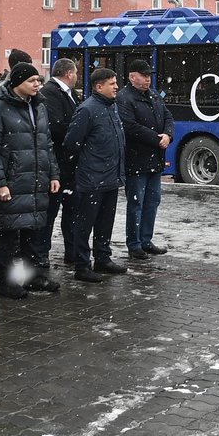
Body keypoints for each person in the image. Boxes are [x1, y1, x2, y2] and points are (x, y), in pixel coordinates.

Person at [0, 63, 60, 298]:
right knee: (9, 232)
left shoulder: (39, 107)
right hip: (13, 181)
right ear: (17, 84)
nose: (37, 85)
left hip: (36, 180)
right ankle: (7, 282)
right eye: (32, 81)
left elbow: (47, 145)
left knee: (33, 232)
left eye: (38, 80)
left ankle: (31, 277)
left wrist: (53, 174)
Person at [64, 67, 126, 282]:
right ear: (99, 87)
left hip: (110, 177)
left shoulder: (112, 107)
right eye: (112, 83)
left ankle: (103, 258)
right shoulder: (87, 110)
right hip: (92, 179)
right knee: (85, 224)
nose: (117, 86)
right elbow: (71, 143)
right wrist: (89, 163)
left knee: (105, 222)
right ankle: (82, 266)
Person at [117, 61, 174, 259]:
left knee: (152, 201)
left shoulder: (154, 95)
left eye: (149, 74)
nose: (148, 78)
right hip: (137, 160)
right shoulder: (124, 98)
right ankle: (134, 244)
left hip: (155, 160)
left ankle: (146, 240)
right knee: (136, 203)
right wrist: (157, 139)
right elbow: (130, 127)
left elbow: (168, 117)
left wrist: (168, 134)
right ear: (132, 77)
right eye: (143, 74)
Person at [39, 59, 81, 278]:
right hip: (56, 164)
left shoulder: (69, 93)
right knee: (51, 211)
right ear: (68, 73)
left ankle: (72, 251)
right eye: (75, 72)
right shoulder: (50, 92)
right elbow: (56, 126)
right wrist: (78, 136)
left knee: (72, 211)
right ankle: (42, 253)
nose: (76, 76)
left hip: (70, 164)